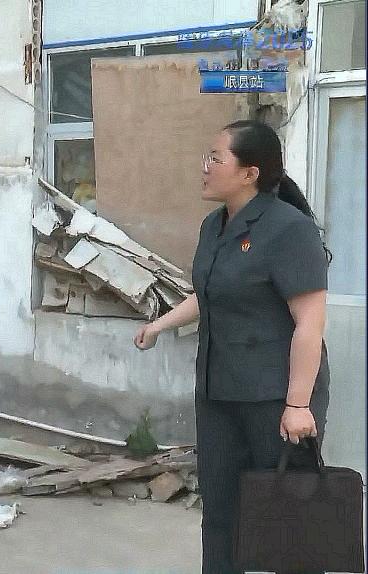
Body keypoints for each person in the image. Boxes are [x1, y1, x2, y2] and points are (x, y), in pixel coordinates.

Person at [134, 120, 330, 574]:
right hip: (219, 394)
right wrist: (159, 325)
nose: (204, 167)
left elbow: (310, 322)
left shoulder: (289, 230)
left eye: (215, 158)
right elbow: (209, 293)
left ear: (249, 173)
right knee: (221, 513)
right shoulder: (214, 226)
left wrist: (298, 404)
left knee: (289, 519)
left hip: (275, 399)